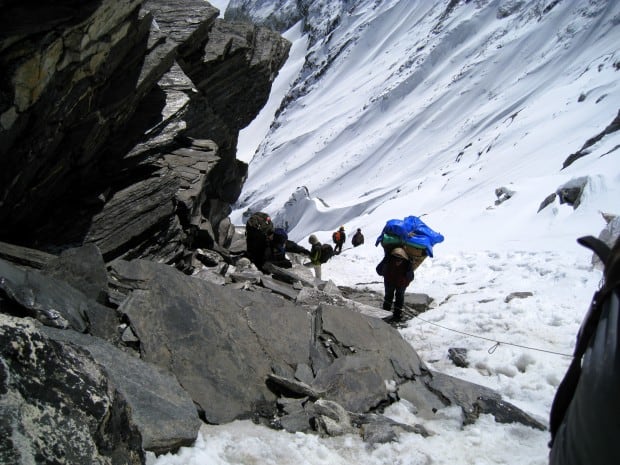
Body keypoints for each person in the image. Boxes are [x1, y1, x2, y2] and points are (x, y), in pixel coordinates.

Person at [376, 247, 414, 320]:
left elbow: (411, 276)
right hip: (391, 281)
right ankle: (386, 314)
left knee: (397, 298)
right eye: (396, 259)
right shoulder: (388, 260)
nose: (398, 261)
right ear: (393, 257)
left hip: (399, 283)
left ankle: (396, 316)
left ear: (403, 259)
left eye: (400, 260)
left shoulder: (407, 263)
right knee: (390, 297)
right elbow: (379, 270)